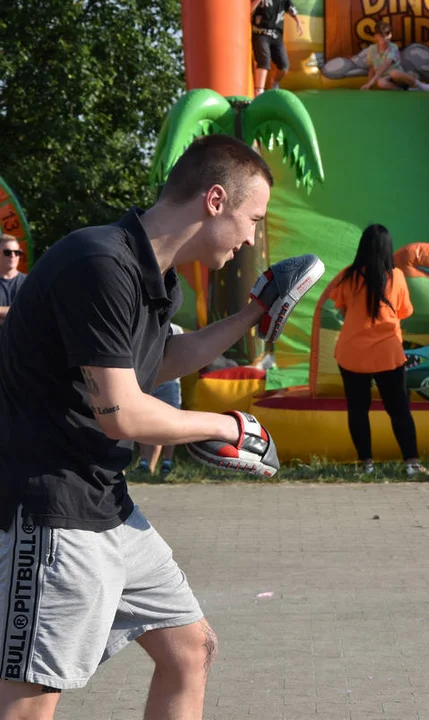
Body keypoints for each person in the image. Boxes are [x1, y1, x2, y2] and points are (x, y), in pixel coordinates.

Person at [0, 134, 317, 718]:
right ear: (215, 200)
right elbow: (121, 412)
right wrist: (222, 425)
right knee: (31, 698)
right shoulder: (99, 264)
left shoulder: (151, 275)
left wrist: (253, 314)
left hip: (106, 504)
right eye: (253, 218)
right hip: (51, 510)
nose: (252, 236)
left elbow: (154, 364)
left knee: (190, 651)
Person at [328, 223, 429, 476]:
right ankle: (411, 463)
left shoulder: (348, 275)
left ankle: (366, 464)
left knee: (357, 410)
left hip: (352, 352)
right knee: (399, 410)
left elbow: (342, 309)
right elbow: (403, 311)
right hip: (388, 353)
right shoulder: (396, 276)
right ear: (388, 248)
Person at [135, 323, 186, 478]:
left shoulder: (176, 329)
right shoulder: (145, 327)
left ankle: (165, 462)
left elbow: (181, 356)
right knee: (144, 422)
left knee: (167, 423)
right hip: (147, 379)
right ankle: (146, 463)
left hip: (169, 382)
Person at [361, 21, 429, 92]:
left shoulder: (393, 47)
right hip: (385, 78)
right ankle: (403, 91)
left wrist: (372, 81)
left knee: (393, 73)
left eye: (387, 35)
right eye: (381, 36)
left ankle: (422, 86)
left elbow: (386, 64)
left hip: (399, 78)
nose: (385, 39)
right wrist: (369, 84)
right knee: (381, 83)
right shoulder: (372, 49)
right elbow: (371, 68)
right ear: (375, 36)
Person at [251, 0, 304, 96]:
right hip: (261, 34)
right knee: (264, 62)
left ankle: (274, 82)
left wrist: (298, 22)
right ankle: (259, 91)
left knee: (284, 66)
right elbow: (249, 10)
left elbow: (291, 8)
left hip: (276, 36)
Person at [0, 233, 27, 327]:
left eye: (17, 252)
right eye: (7, 252)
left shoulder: (29, 282)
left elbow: (32, 312)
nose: (13, 255)